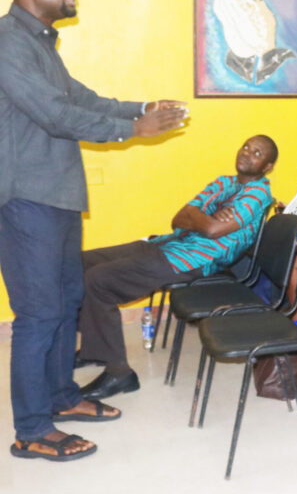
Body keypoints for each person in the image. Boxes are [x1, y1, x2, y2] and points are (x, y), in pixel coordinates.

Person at [0, 0, 188, 461]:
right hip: (26, 200)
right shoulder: (8, 41)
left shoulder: (41, 45)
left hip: (57, 198)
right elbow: (55, 114)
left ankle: (61, 397)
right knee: (38, 314)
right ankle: (32, 429)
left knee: (65, 304)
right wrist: (133, 129)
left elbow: (84, 100)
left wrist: (142, 109)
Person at [76, 136, 277, 398]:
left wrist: (199, 216)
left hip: (192, 260)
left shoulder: (259, 193)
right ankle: (95, 349)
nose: (247, 153)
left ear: (268, 166)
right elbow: (178, 218)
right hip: (167, 243)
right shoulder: (224, 182)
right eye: (246, 147)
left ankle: (119, 373)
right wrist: (202, 218)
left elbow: (211, 229)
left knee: (99, 280)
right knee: (80, 262)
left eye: (257, 153)